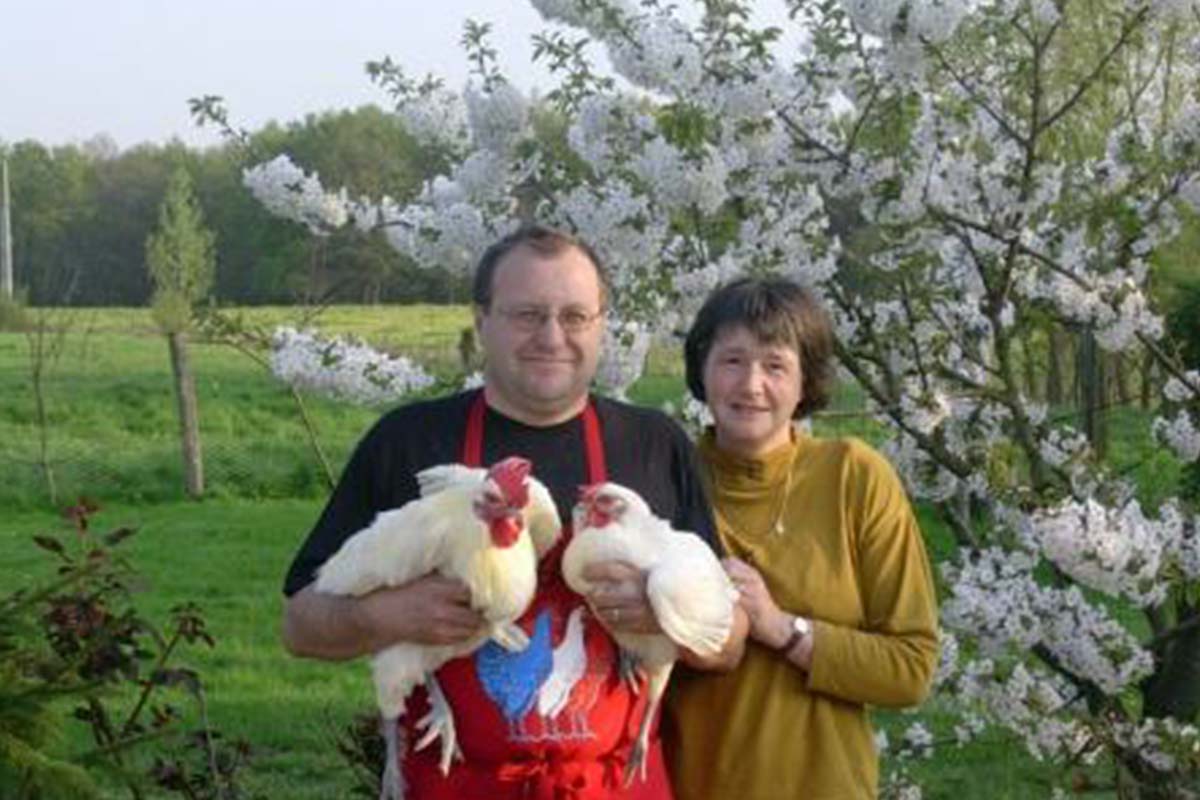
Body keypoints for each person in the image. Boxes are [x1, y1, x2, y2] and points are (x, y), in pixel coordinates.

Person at [281, 225, 746, 800]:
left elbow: (729, 643)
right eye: (527, 314)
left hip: (612, 786)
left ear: (602, 325)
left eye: (575, 316)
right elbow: (299, 626)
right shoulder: (408, 442)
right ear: (482, 323)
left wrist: (665, 612)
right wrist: (383, 615)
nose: (552, 336)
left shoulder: (654, 444)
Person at [663, 277, 939, 800]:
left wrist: (781, 628)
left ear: (805, 380)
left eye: (775, 365)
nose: (750, 385)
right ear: (702, 366)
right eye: (732, 360)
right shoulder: (664, 476)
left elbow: (910, 668)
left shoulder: (854, 477)